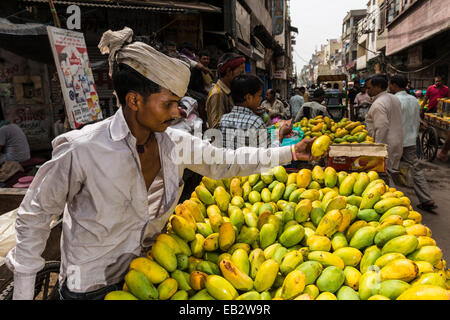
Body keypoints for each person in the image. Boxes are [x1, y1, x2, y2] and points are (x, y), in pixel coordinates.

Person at [6, 27, 320, 300]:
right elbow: (33, 215)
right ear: (134, 101)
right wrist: (22, 292)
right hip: (90, 287)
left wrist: (289, 153)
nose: (176, 112)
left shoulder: (175, 143)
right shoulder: (82, 150)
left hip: (153, 277)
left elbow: (227, 162)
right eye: (168, 103)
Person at [389, 74, 437, 211]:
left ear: (395, 85)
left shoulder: (394, 100)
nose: (389, 86)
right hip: (411, 140)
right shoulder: (414, 100)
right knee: (415, 169)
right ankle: (426, 198)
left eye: (390, 84)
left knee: (390, 169)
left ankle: (393, 202)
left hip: (396, 141)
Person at [219, 74, 292, 149]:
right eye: (259, 95)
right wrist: (281, 134)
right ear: (248, 98)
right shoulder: (255, 122)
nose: (261, 99)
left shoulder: (223, 120)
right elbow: (270, 153)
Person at [365, 74, 403, 184]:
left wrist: (377, 150)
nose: (367, 91)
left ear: (378, 87)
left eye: (369, 88)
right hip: (397, 142)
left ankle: (394, 199)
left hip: (385, 145)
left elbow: (382, 127)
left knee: (385, 178)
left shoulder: (378, 104)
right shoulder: (394, 98)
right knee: (391, 172)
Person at [206, 52, 245, 129]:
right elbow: (216, 127)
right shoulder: (217, 94)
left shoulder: (229, 91)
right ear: (228, 72)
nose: (242, 76)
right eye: (240, 73)